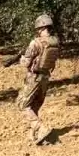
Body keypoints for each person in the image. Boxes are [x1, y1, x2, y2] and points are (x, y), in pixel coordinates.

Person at [14, 14, 61, 144]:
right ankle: (34, 135)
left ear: (40, 27)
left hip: (34, 77)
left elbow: (26, 63)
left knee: (22, 104)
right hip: (46, 77)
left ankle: (40, 127)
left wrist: (21, 59)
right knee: (34, 105)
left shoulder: (35, 43)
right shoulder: (55, 41)